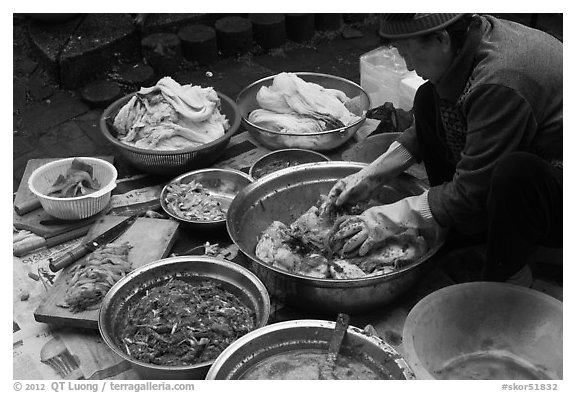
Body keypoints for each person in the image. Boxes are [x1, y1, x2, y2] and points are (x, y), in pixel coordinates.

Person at [328, 13, 562, 286]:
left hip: (557, 185)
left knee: (516, 175)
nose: (410, 66)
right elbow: (425, 129)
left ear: (442, 39)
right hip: (525, 145)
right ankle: (460, 225)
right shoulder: (468, 39)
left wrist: (385, 218)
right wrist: (371, 176)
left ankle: (511, 276)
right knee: (427, 99)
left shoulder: (500, 81)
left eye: (410, 54)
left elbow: (473, 190)